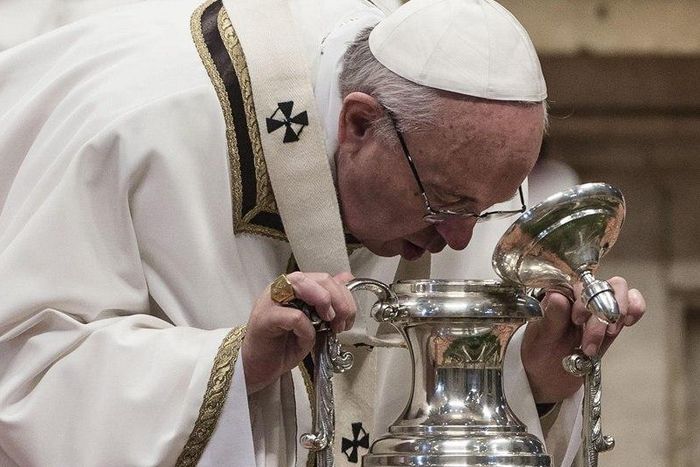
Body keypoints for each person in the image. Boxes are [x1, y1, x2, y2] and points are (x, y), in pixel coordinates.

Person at [0, 0, 645, 465]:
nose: (456, 241)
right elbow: (25, 378)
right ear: (358, 126)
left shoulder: (439, 156)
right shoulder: (140, 124)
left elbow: (401, 412)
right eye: (446, 203)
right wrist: (232, 365)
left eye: (489, 208)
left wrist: (535, 378)